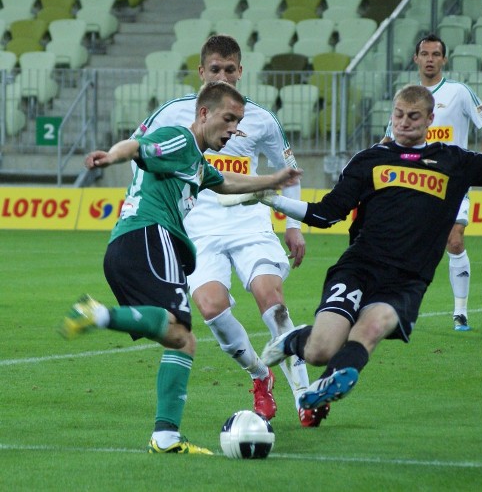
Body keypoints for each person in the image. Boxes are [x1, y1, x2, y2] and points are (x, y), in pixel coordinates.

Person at [251, 70, 482, 414]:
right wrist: (273, 200)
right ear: (392, 115)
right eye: (399, 115)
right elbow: (327, 213)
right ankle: (295, 340)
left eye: (414, 116)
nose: (404, 123)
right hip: (359, 268)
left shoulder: (453, 162)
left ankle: (326, 388)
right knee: (319, 351)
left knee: (371, 329)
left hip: (407, 280)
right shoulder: (370, 161)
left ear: (430, 119)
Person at [58, 81, 302, 454]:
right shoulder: (180, 139)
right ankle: (98, 314)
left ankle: (166, 437)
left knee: (181, 338)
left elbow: (226, 183)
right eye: (227, 119)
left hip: (132, 245)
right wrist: (111, 156)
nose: (234, 129)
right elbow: (140, 147)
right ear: (203, 114)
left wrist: (274, 180)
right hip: (150, 237)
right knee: (181, 330)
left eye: (238, 121)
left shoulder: (196, 162)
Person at [134, 35, 323, 427]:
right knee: (211, 307)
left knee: (272, 299)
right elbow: (139, 155)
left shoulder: (260, 118)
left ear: (241, 71)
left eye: (230, 69)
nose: (223, 75)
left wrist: (293, 226)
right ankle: (260, 375)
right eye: (215, 69)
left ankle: (305, 395)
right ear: (201, 72)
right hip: (197, 229)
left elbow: (288, 171)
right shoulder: (172, 113)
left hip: (249, 223)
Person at [383, 33, 482, 332]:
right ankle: (393, 308)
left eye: (435, 54)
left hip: (453, 183)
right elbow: (390, 137)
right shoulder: (407, 97)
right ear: (416, 59)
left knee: (454, 239)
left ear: (443, 59)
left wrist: (480, 166)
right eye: (425, 54)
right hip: (415, 183)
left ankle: (460, 312)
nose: (430, 59)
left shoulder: (459, 92)